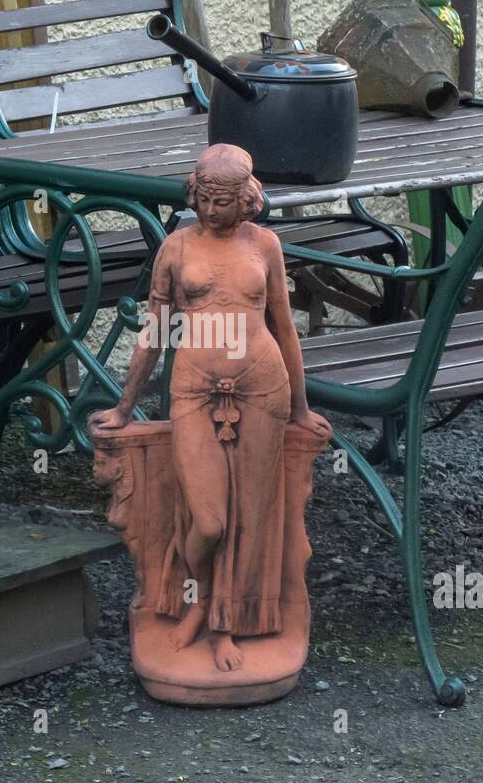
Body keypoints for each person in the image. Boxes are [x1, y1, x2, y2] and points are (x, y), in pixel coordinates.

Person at [90, 144, 328, 672]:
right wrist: (125, 407)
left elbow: (284, 326)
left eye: (225, 200)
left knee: (250, 519)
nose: (213, 209)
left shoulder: (265, 244)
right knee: (210, 520)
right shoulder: (175, 248)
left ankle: (223, 626)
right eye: (205, 198)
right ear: (193, 192)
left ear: (247, 199)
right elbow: (154, 332)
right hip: (195, 390)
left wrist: (301, 407)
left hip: (264, 389)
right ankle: (195, 599)